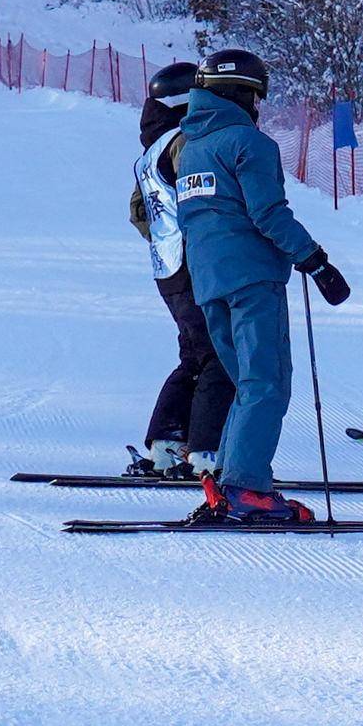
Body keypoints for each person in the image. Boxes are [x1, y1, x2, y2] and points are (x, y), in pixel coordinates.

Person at [158, 49, 351, 525]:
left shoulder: (189, 146)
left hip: (207, 284)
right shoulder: (250, 143)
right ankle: (247, 489)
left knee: (245, 383)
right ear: (242, 93)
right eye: (257, 96)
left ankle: (227, 477)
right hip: (251, 280)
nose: (259, 107)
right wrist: (315, 261)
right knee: (266, 384)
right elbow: (268, 214)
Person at [124, 59, 228, 482]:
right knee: (219, 357)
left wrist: (163, 238)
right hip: (192, 263)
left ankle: (165, 445)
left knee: (194, 356)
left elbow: (138, 213)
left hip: (167, 267)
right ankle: (204, 453)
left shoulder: (151, 149)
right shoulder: (185, 141)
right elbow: (201, 194)